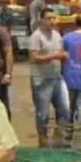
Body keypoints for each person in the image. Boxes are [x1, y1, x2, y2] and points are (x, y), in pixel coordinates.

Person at [28, 10, 71, 147]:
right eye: (48, 18)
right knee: (43, 114)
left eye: (54, 18)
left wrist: (62, 56)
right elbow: (34, 58)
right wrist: (55, 56)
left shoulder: (57, 35)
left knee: (65, 109)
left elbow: (60, 52)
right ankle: (43, 142)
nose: (52, 21)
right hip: (41, 80)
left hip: (57, 78)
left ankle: (59, 141)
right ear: (41, 20)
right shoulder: (36, 36)